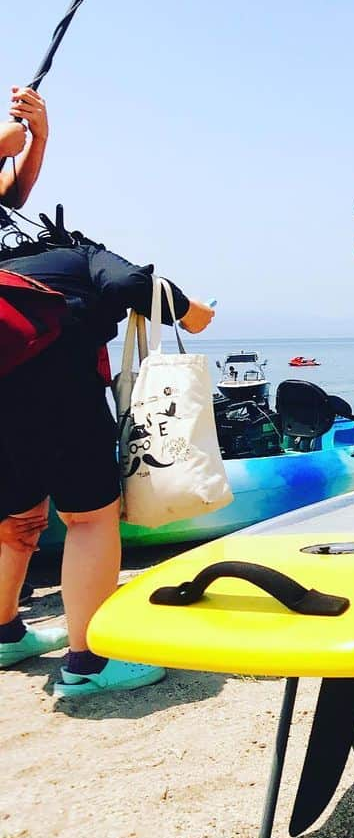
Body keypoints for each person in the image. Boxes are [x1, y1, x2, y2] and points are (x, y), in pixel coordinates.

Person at [0, 86, 216, 696]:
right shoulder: (76, 252)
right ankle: (88, 661)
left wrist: (35, 139)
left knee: (15, 519)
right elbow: (132, 283)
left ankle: (5, 634)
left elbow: (12, 188)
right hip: (62, 395)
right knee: (90, 519)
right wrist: (194, 313)